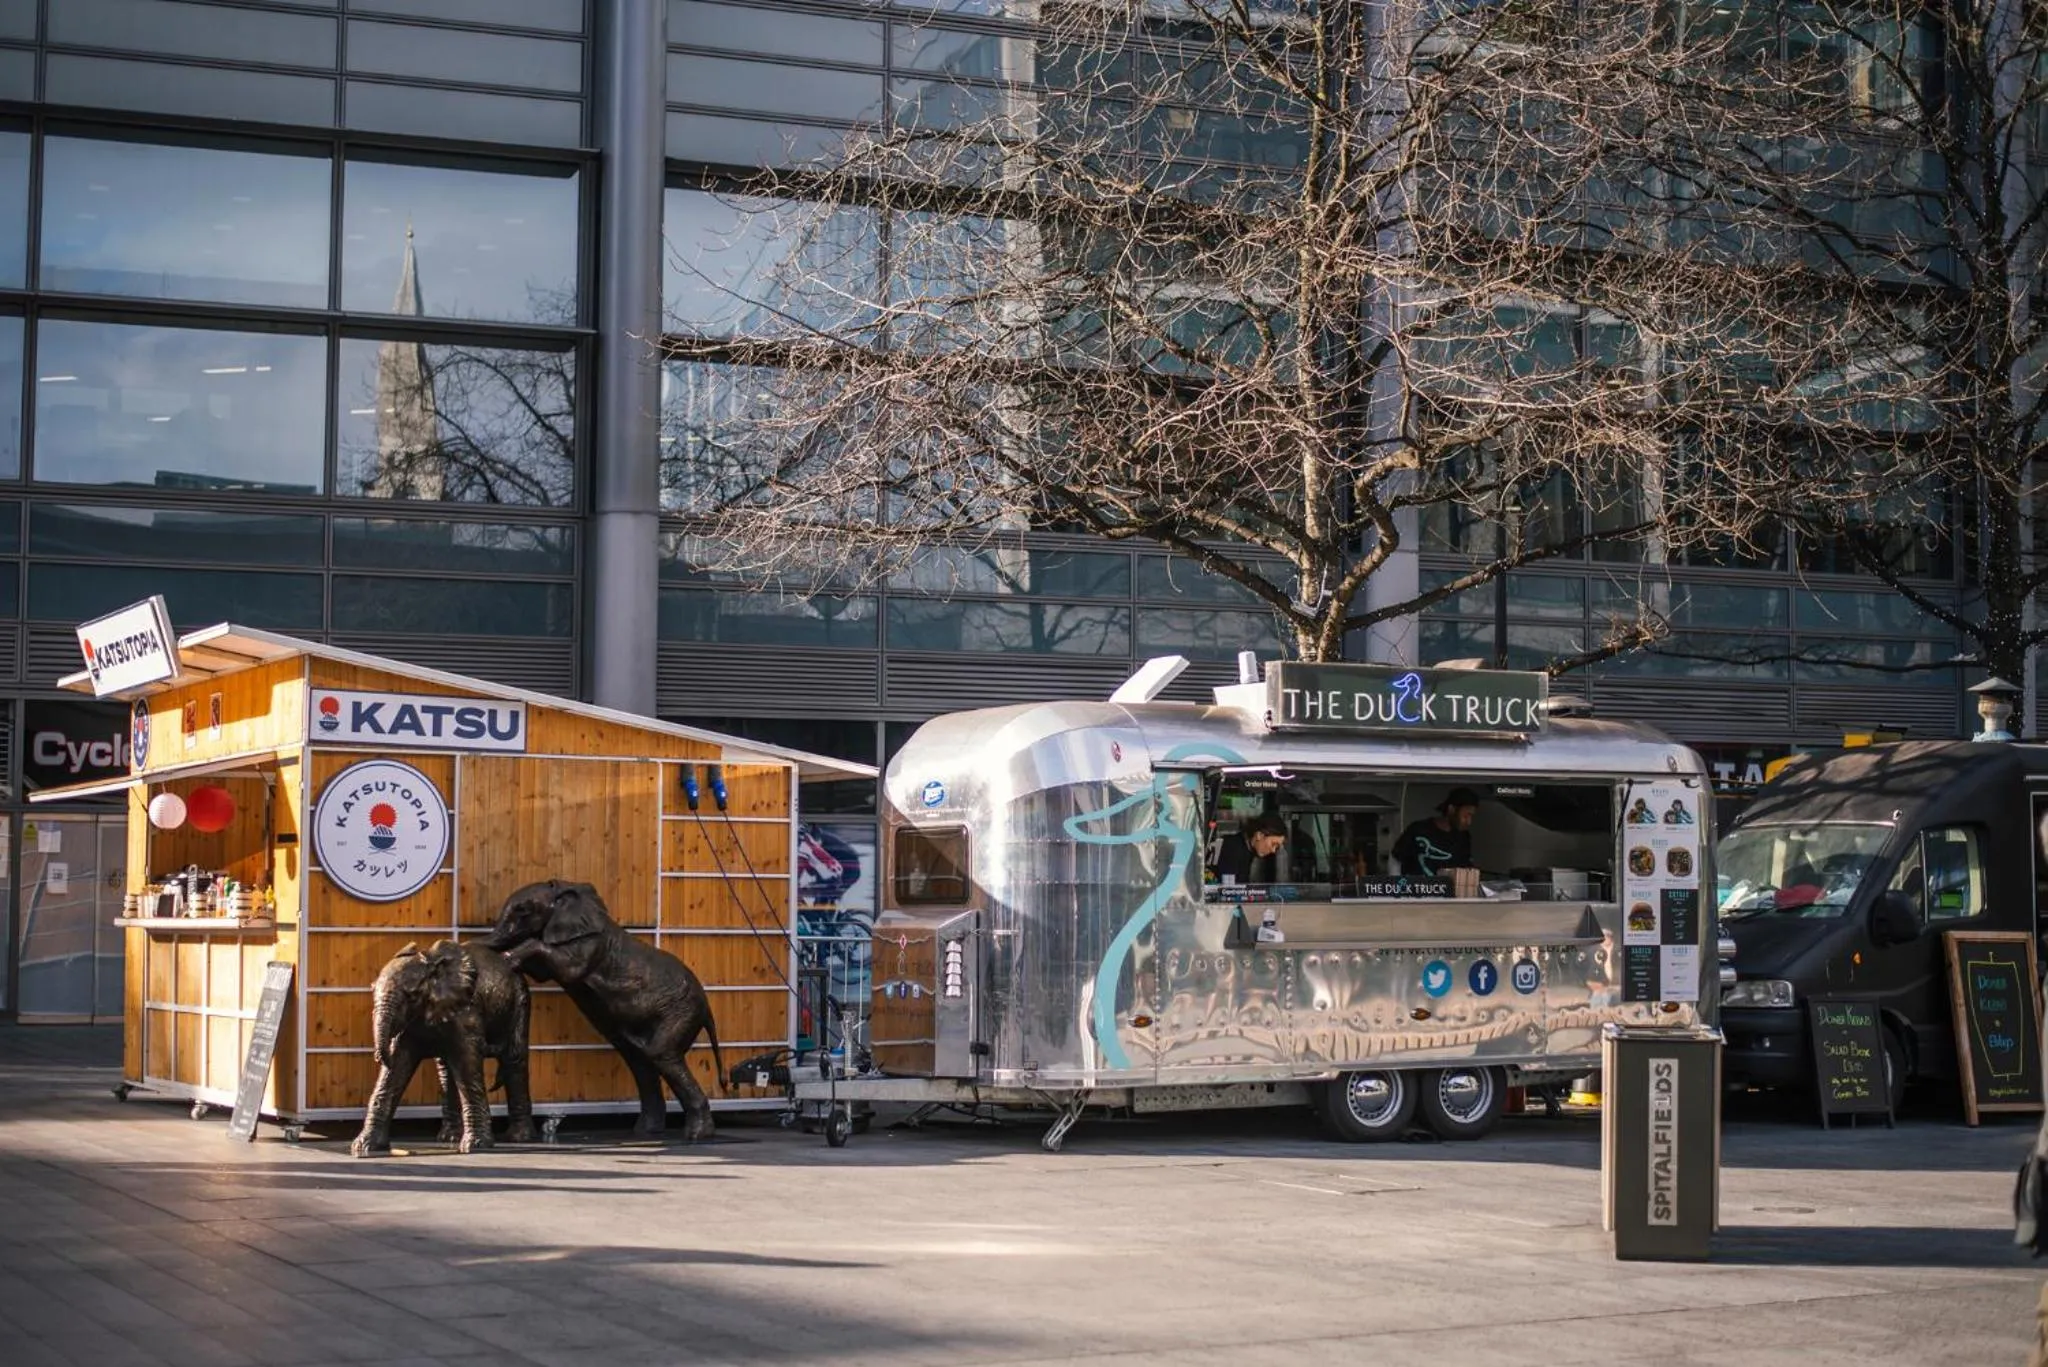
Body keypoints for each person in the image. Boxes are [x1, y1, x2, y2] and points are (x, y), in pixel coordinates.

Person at [1393, 788, 1480, 879]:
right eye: (1465, 816)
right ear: (1451, 809)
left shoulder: (1463, 837)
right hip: (1416, 886)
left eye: (1471, 816)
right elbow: (1396, 859)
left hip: (1447, 887)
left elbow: (1466, 870)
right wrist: (1397, 885)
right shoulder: (1418, 829)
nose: (1469, 822)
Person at [1213, 815, 1287, 886]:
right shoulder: (1232, 847)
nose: (1273, 850)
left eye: (1277, 847)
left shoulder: (1247, 849)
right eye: (1273, 844)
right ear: (1259, 835)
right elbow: (1228, 890)